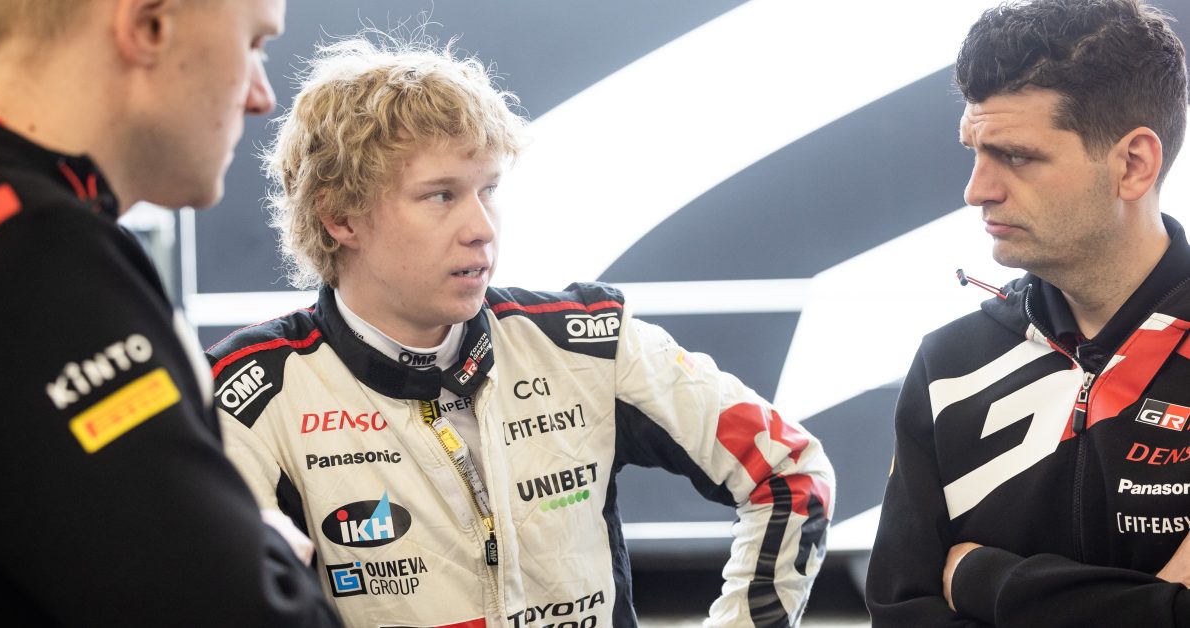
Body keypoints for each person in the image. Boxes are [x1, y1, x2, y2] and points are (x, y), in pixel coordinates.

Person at [206, 36, 835, 627]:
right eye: (440, 196)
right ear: (340, 216)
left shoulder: (586, 343)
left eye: (489, 190)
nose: (482, 227)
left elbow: (791, 470)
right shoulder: (249, 397)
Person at [0, 0, 341, 625]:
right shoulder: (33, 256)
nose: (262, 97)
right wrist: (268, 548)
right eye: (254, 45)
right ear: (149, 27)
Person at [865, 0, 1190, 626]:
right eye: (974, 152)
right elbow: (901, 614)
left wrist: (983, 580)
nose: (976, 191)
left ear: (1133, 164)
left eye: (1015, 156)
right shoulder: (948, 364)